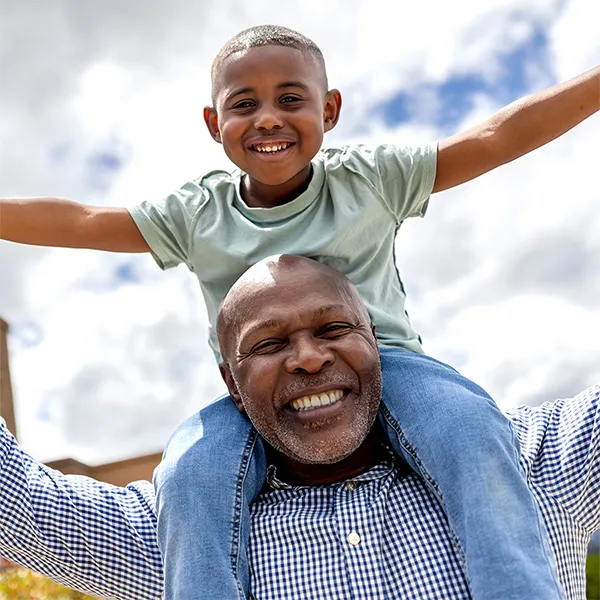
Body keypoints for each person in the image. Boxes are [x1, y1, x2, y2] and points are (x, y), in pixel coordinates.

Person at [1, 24, 599, 600]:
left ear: (330, 111)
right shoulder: (196, 215)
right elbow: (80, 220)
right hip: (254, 403)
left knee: (469, 430)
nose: (267, 117)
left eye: (291, 98)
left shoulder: (370, 181)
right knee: (187, 472)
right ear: (214, 123)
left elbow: (495, 138)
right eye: (244, 103)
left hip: (395, 367)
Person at [0, 255, 599, 600]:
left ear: (376, 342)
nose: (309, 358)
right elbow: (17, 500)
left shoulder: (532, 461)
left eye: (334, 330)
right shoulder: (185, 528)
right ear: (230, 382)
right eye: (269, 343)